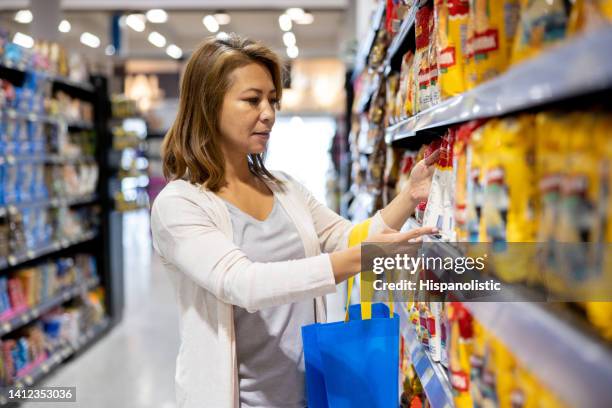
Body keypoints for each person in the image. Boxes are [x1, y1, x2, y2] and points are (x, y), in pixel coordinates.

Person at [150, 33, 438, 408]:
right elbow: (244, 283)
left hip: (309, 394)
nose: (268, 113)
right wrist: (363, 258)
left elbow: (346, 237)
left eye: (272, 100)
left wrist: (409, 195)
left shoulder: (284, 188)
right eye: (252, 100)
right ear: (208, 106)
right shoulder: (180, 205)